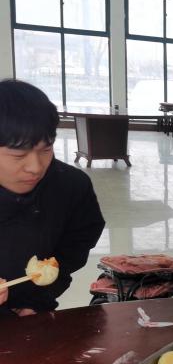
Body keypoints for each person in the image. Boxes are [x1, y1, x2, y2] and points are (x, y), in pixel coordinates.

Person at [0, 79, 105, 316]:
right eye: (18, 155)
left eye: (45, 149)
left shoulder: (71, 186)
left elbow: (76, 245)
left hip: (35, 310)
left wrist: (38, 300)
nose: (35, 167)